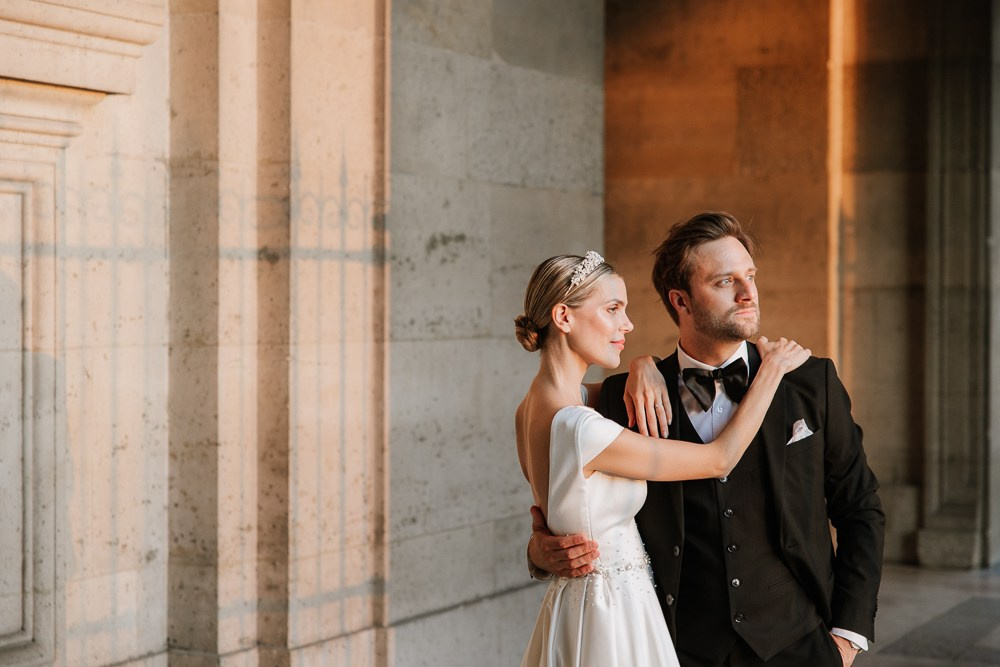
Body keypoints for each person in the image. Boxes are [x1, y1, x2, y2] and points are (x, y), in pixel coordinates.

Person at [528, 212, 885, 667]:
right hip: (678, 648)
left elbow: (860, 509)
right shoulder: (622, 397)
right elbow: (566, 503)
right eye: (724, 282)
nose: (748, 292)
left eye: (750, 276)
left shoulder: (811, 383)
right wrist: (541, 551)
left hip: (799, 643)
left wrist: (847, 637)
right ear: (682, 300)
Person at [514, 250, 809, 666]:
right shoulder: (584, 428)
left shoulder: (531, 408)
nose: (627, 324)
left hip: (574, 607)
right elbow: (719, 459)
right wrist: (772, 371)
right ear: (563, 317)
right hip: (612, 617)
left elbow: (564, 505)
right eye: (613, 309)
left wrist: (644, 363)